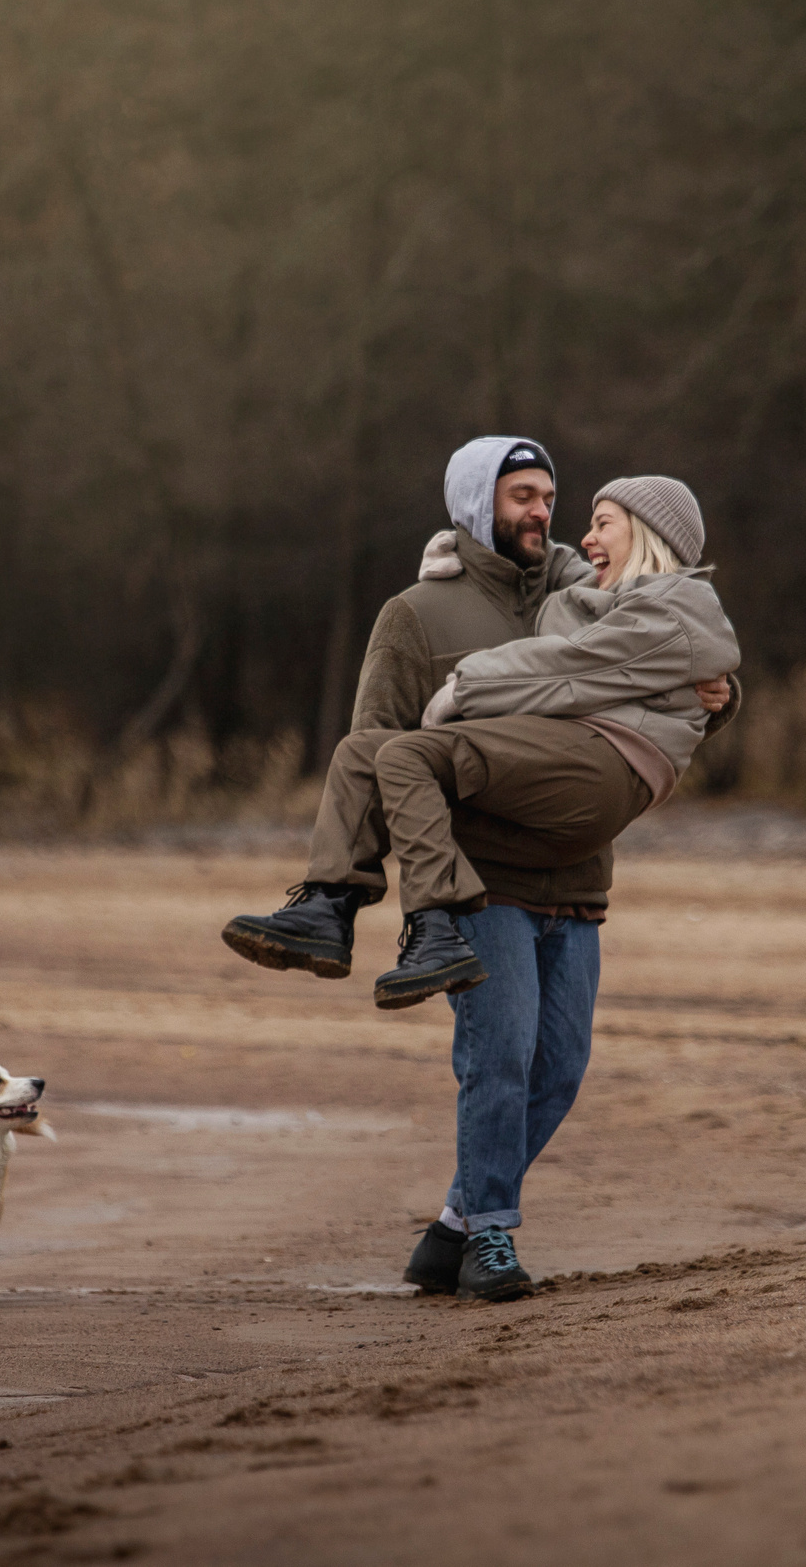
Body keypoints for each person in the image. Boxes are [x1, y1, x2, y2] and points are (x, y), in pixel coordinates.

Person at [220, 439, 733, 1302]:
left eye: (550, 496)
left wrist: (723, 692)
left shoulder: (573, 590)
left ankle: (453, 1226)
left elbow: (660, 637)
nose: (542, 511)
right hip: (480, 885)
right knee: (498, 1062)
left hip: (576, 876)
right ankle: (490, 1233)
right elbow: (379, 751)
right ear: (473, 503)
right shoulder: (415, 614)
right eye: (522, 495)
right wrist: (396, 887)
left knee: (559, 1070)